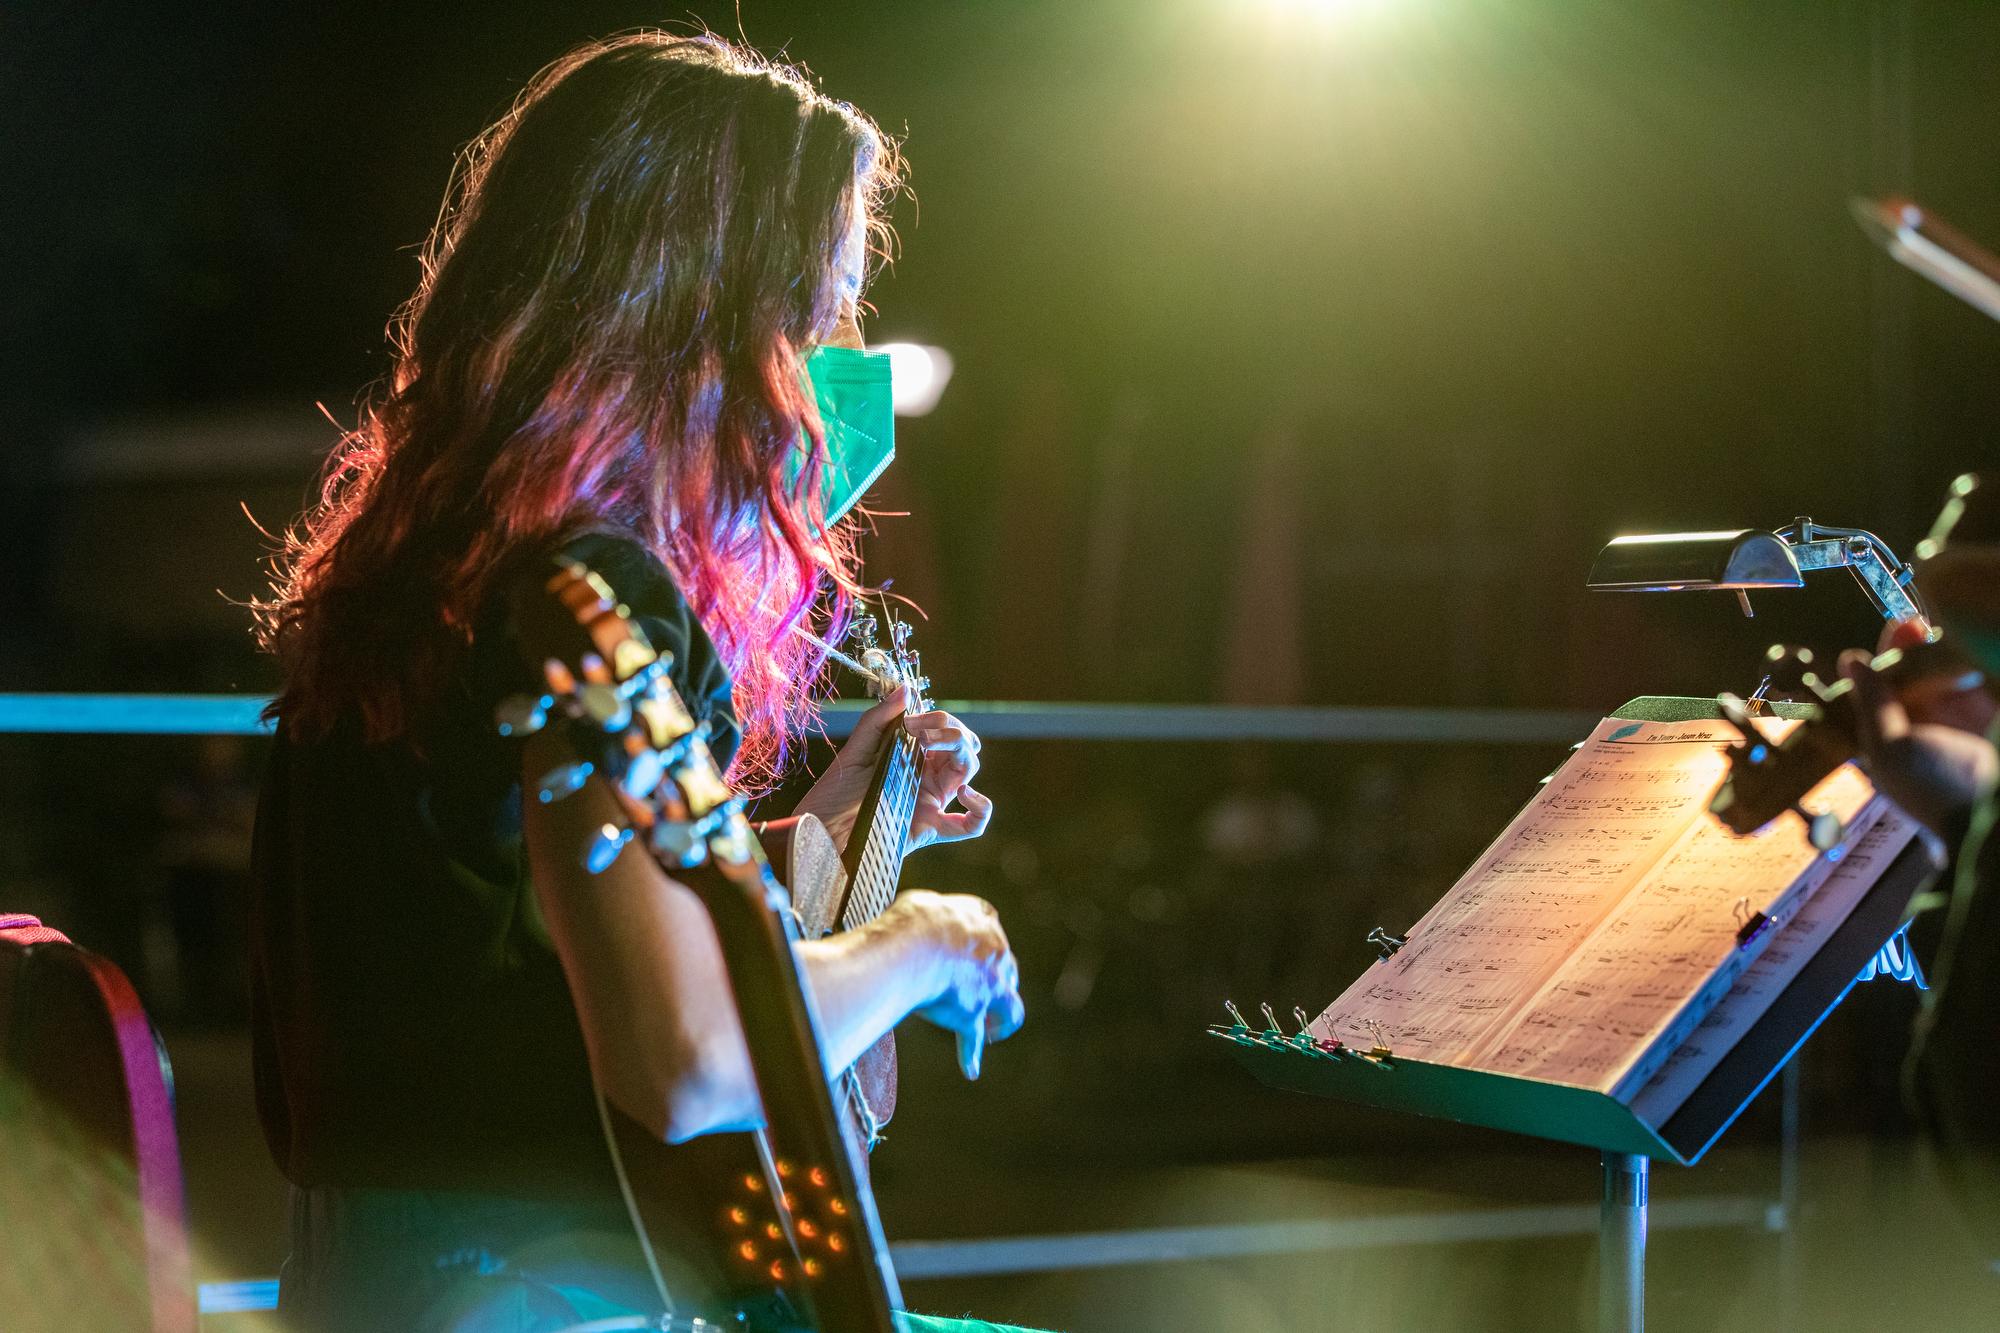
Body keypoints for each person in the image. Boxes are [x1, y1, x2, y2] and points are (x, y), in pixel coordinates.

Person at [249, 33, 1034, 1332]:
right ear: (710, 320)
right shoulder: (595, 590)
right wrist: (923, 939)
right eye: (811, 314)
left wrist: (839, 813)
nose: (825, 368)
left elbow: (539, 917)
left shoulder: (438, 559)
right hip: (557, 1294)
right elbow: (687, 1061)